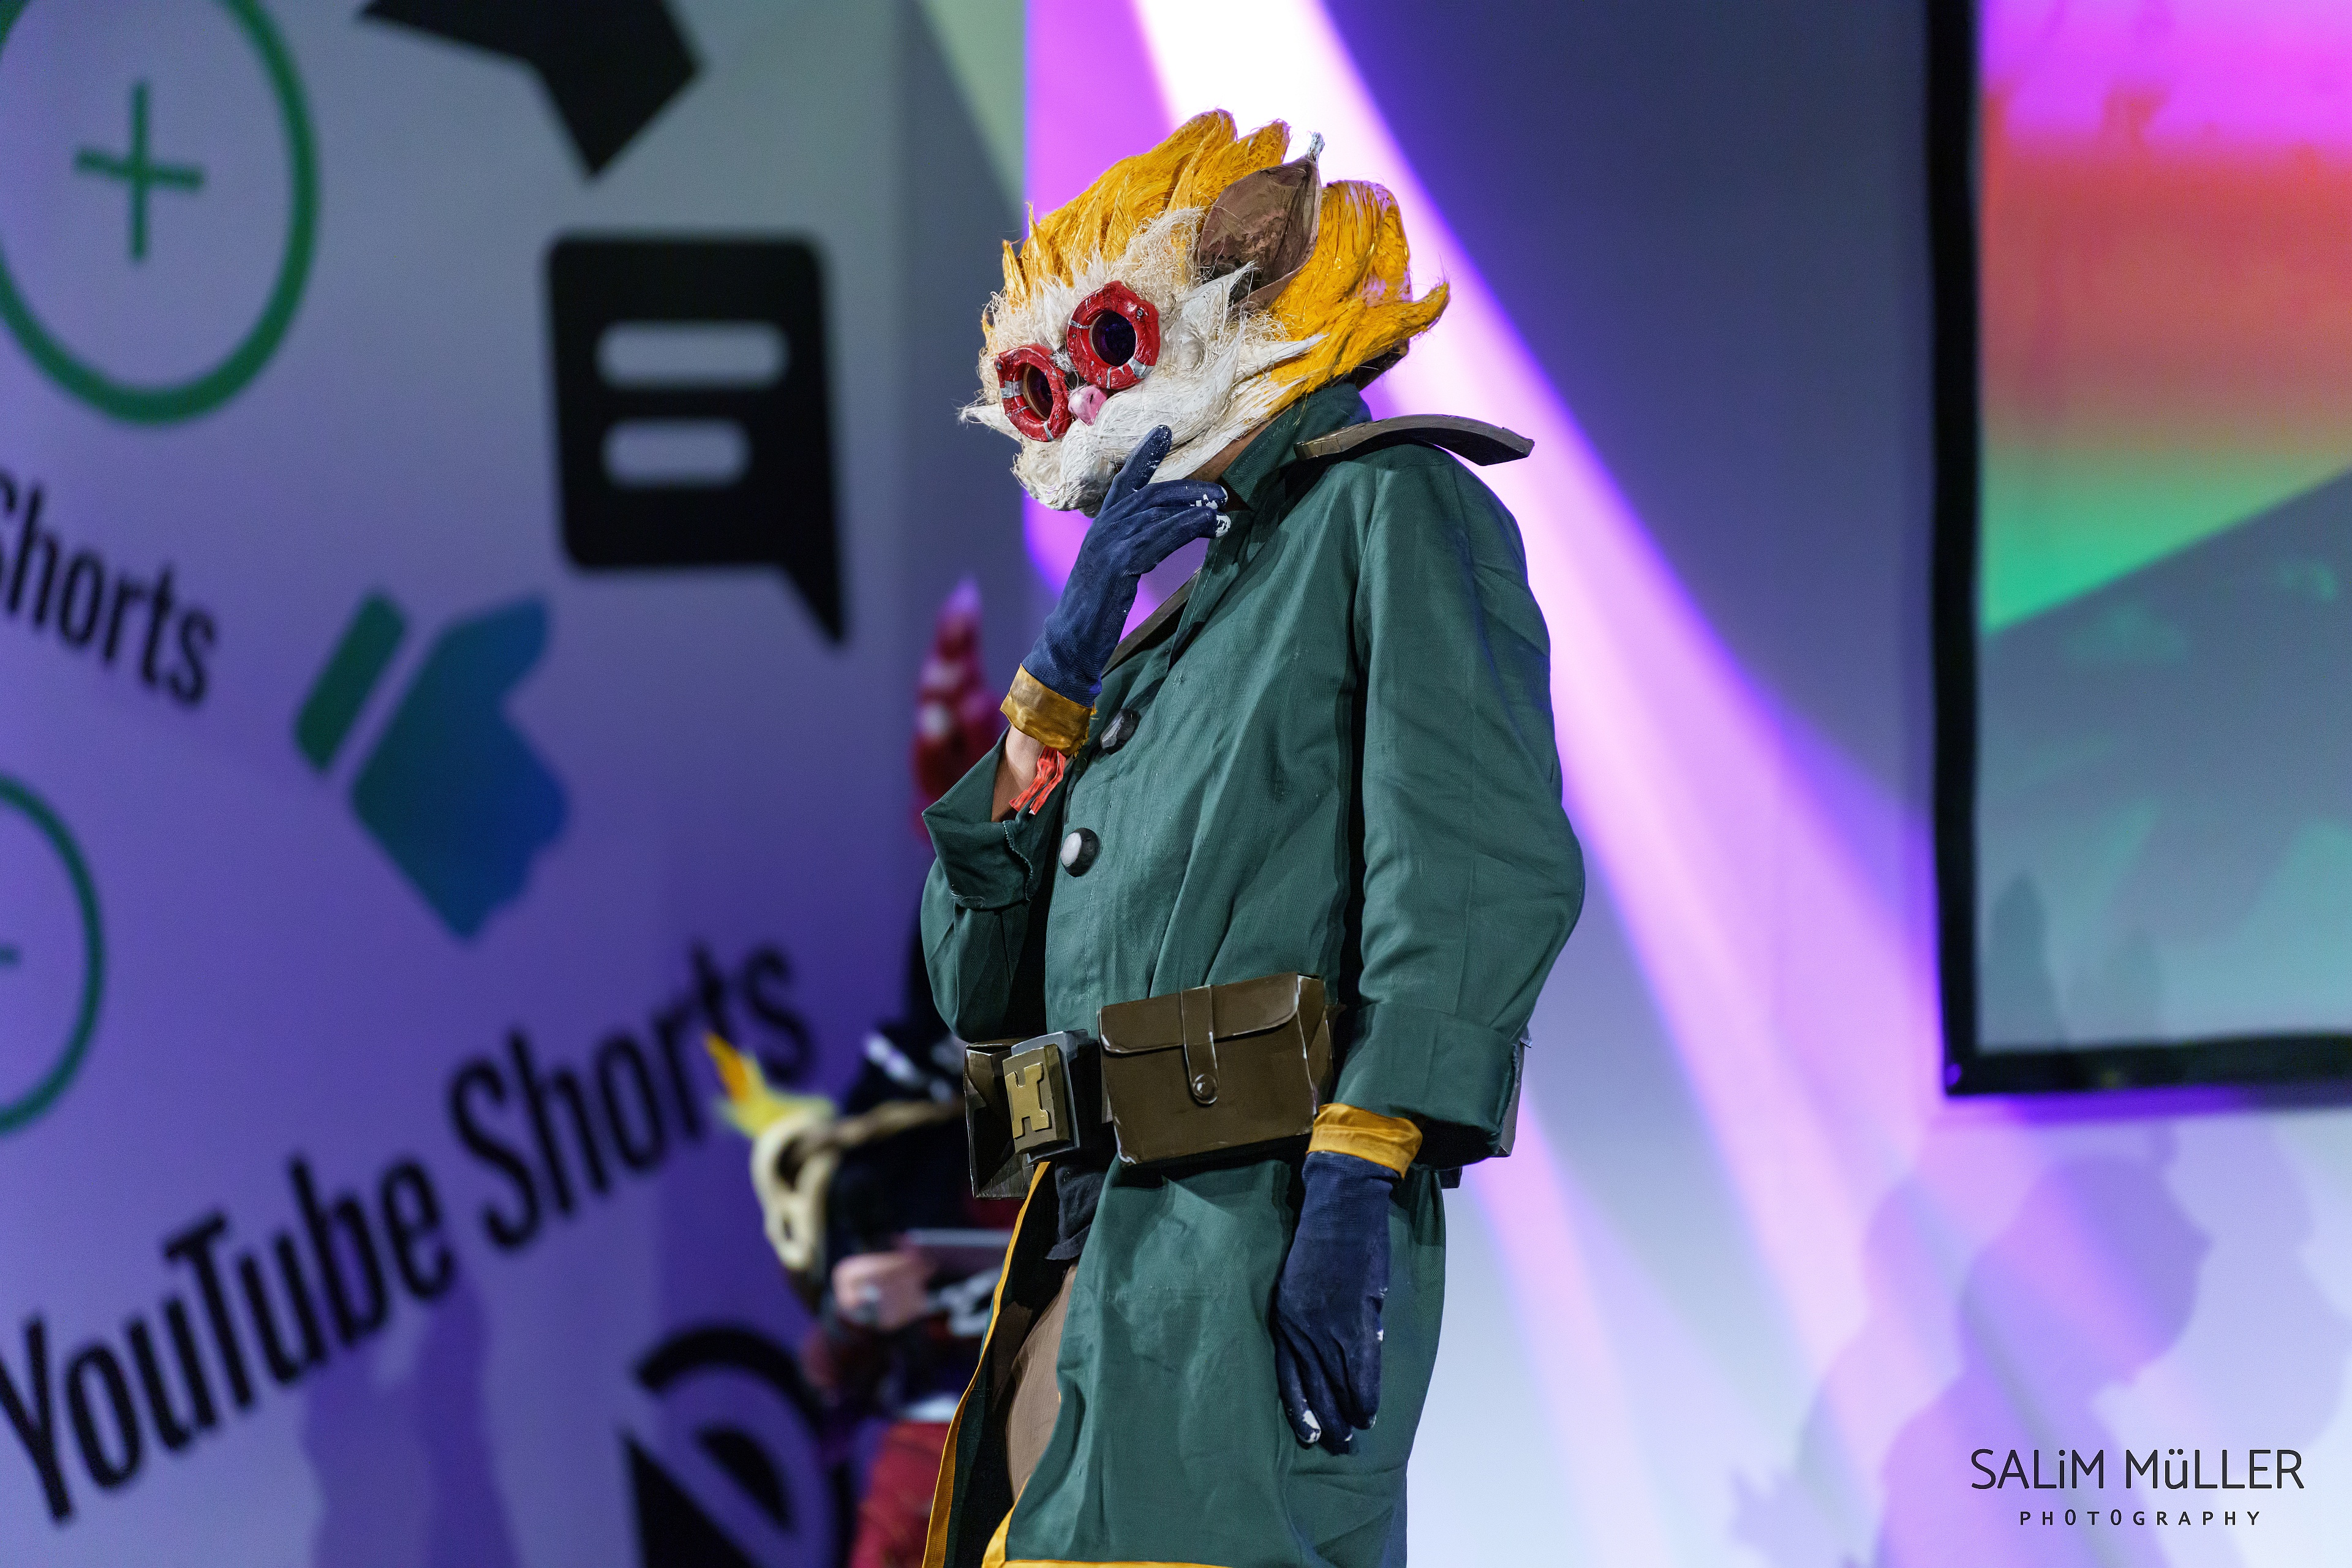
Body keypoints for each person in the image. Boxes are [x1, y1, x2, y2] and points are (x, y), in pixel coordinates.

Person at [918, 111, 1584, 1568]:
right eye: (1042, 383)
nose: (1076, 406)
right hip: (1091, 1250)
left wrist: (1359, 1167)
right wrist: (1053, 686)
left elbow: (1470, 866)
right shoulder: (1165, 637)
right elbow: (975, 977)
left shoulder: (1393, 510)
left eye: (1105, 345)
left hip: (1249, 1239)